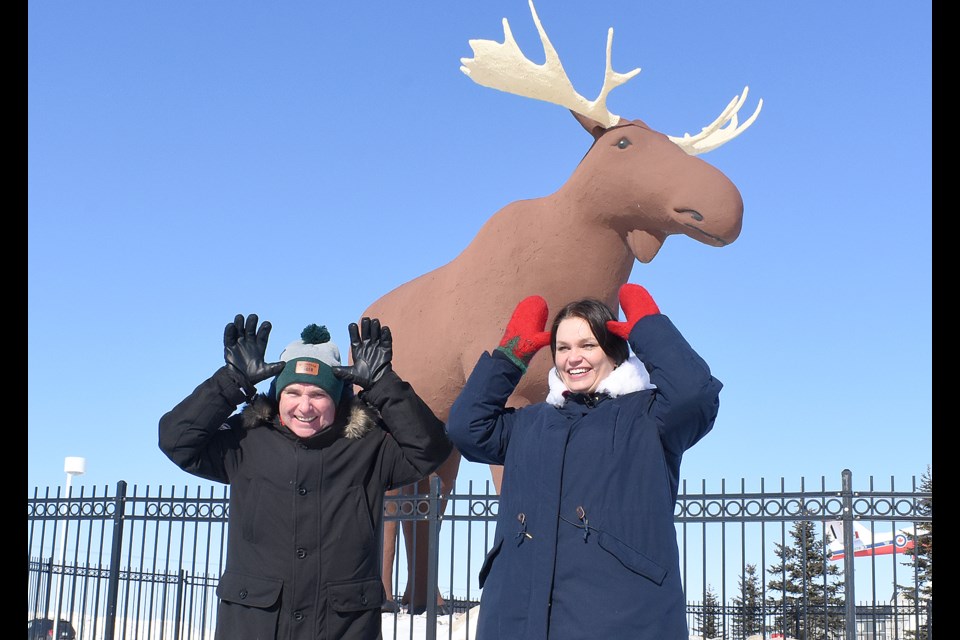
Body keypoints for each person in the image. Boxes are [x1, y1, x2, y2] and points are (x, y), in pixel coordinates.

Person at [445, 283, 722, 640]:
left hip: (620, 620)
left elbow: (695, 396)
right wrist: (510, 357)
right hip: (516, 617)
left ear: (613, 351)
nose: (572, 358)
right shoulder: (528, 424)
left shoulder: (650, 418)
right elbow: (466, 427)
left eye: (587, 345)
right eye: (562, 348)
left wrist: (649, 329)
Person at [158, 314, 452, 640]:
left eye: (318, 394)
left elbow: (432, 450)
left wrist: (383, 383)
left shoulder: (369, 446)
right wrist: (231, 382)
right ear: (278, 395)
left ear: (337, 399)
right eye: (293, 392)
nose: (305, 406)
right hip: (254, 628)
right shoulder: (246, 440)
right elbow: (176, 440)